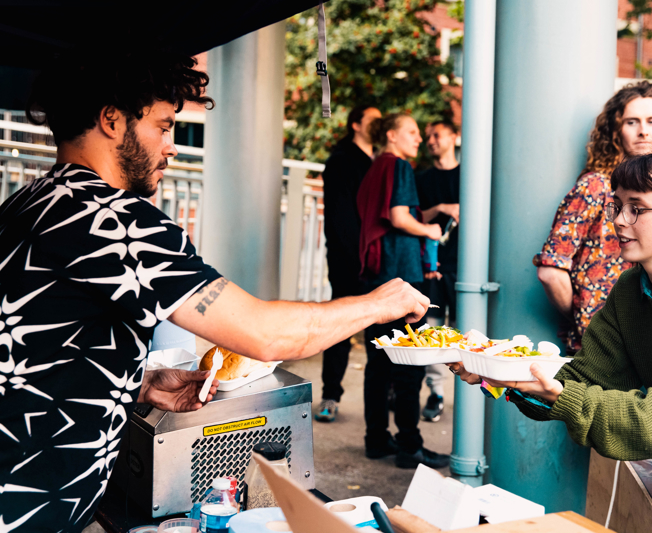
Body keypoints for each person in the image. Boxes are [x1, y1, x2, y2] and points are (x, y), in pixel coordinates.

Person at [0, 49, 429, 533]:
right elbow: (267, 335)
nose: (172, 147)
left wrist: (133, 385)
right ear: (112, 120)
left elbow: (37, 344)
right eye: (164, 126)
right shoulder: (116, 221)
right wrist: (378, 303)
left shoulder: (31, 201)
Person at [452, 152, 652, 504]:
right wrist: (499, 371)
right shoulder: (630, 290)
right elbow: (585, 378)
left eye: (636, 208)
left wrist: (562, 395)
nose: (619, 221)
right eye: (617, 205)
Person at [534, 81, 652, 354]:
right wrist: (588, 318)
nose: (643, 131)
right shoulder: (596, 186)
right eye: (632, 122)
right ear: (616, 130)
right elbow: (550, 271)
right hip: (602, 349)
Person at [356, 113, 448, 469]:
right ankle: (411, 446)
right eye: (411, 132)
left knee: (378, 364)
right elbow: (398, 217)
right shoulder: (399, 166)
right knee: (409, 365)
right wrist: (430, 231)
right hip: (401, 280)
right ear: (392, 136)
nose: (418, 139)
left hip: (376, 276)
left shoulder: (374, 168)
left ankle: (376, 439)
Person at [316, 105, 381, 423]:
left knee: (380, 331)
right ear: (356, 124)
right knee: (342, 326)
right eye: (374, 120)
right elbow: (341, 220)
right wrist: (360, 260)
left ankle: (385, 399)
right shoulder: (342, 160)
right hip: (350, 260)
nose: (381, 125)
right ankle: (330, 395)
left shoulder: (377, 161)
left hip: (374, 260)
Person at [415, 120, 460, 422]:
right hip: (432, 267)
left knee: (463, 332)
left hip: (464, 267)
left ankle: (469, 398)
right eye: (428, 135)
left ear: (455, 137)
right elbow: (415, 216)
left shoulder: (471, 174)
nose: (431, 140)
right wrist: (443, 207)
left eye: (437, 134)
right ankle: (437, 393)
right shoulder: (423, 178)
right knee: (431, 331)